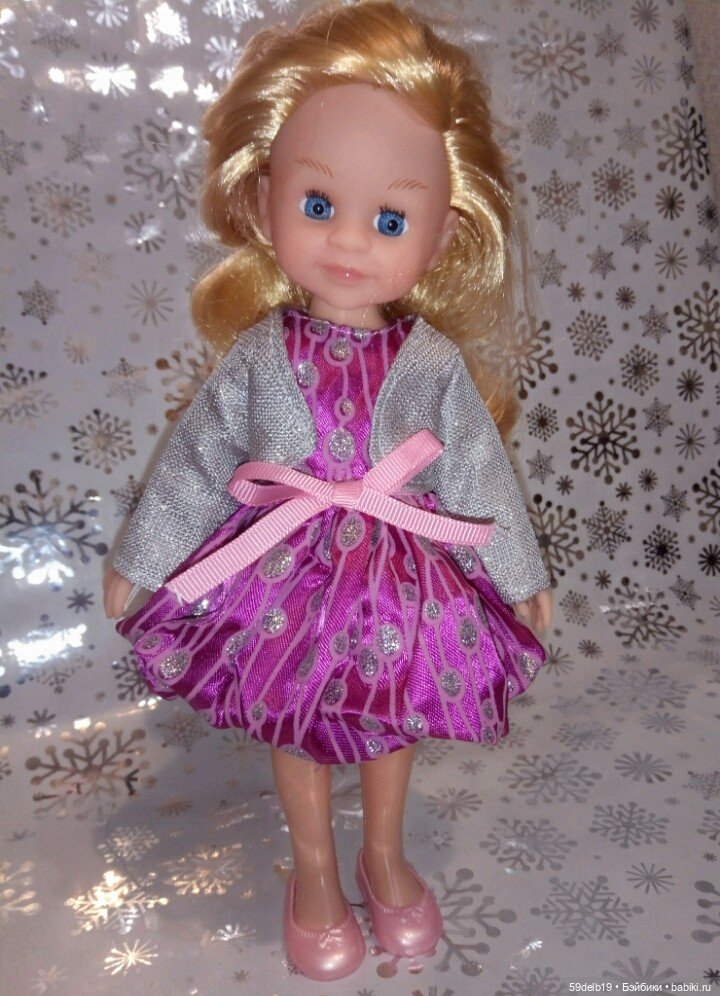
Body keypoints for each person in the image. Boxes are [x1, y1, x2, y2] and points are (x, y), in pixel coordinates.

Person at [104, 0, 553, 981]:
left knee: (393, 721)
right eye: (318, 204)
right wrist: (142, 557)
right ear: (265, 201)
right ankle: (313, 874)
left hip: (398, 583)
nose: (351, 240)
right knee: (296, 723)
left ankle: (382, 859)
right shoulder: (258, 355)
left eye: (390, 220)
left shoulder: (429, 363)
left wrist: (518, 574)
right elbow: (198, 459)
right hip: (287, 580)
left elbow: (477, 470)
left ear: (440, 236)